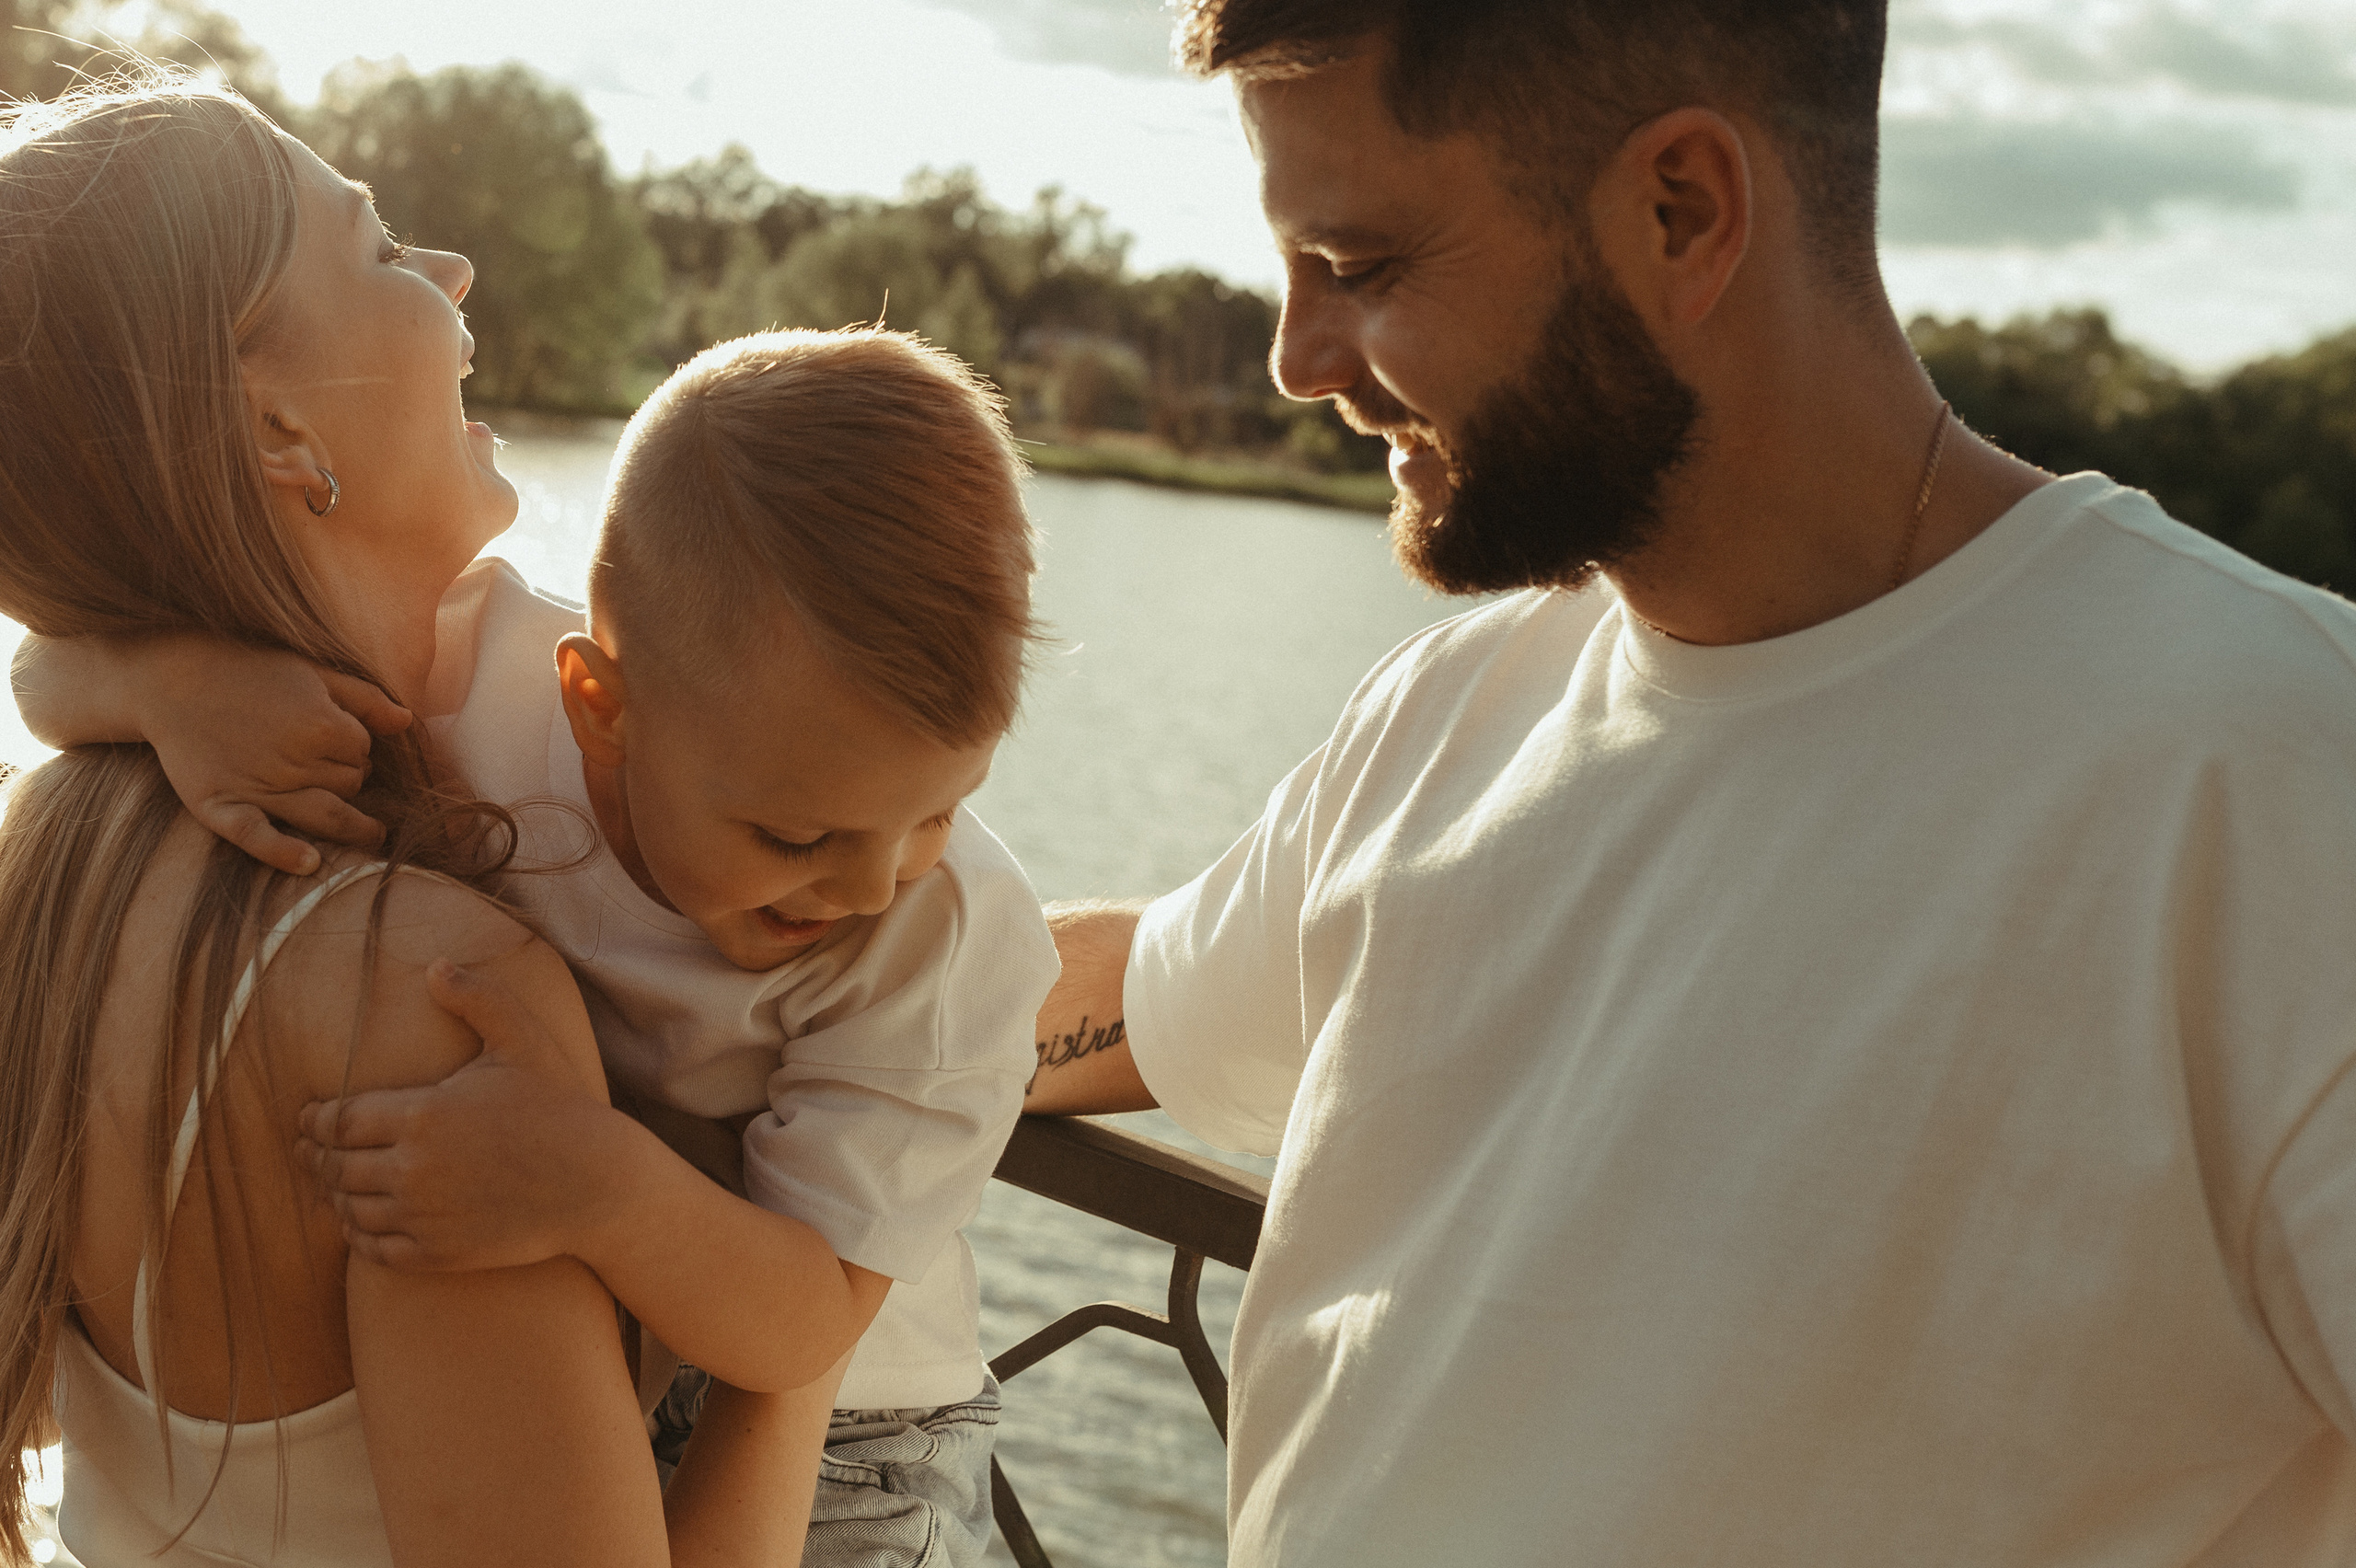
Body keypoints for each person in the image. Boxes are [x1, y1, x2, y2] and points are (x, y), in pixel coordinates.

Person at [1022, 1, 2356, 1563]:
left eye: (1362, 267)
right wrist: (706, 958)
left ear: (1683, 211)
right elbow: (1125, 1000)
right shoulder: (1452, 713)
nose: (1297, 361)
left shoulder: (2280, 777)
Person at [22, 329, 1062, 1566]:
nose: (875, 880)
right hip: (606, 1338)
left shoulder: (943, 943)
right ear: (597, 701)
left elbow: (802, 1330)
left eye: (941, 809)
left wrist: (596, 1182)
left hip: (853, 1435)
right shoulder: (470, 667)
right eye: (796, 833)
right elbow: (47, 660)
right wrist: (166, 695)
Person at [0, 76, 837, 1567]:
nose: (452, 273)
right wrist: (813, 1335)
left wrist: (147, 676)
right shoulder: (427, 998)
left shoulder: (43, 871)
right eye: (379, 247)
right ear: (277, 429)